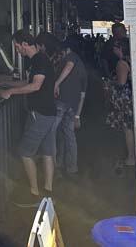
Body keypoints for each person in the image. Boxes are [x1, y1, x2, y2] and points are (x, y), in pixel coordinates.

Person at [0, 29, 57, 207]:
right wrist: (6, 83)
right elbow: (28, 82)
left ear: (25, 44)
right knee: (47, 152)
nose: (17, 50)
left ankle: (34, 194)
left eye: (17, 46)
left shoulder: (38, 60)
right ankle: (48, 191)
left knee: (25, 152)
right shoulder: (39, 60)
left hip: (40, 113)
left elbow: (35, 86)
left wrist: (10, 92)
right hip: (48, 112)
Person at [53, 41, 87, 177]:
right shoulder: (83, 69)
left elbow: (68, 65)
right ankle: (71, 167)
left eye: (61, 53)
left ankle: (54, 167)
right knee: (68, 135)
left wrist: (56, 83)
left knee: (51, 133)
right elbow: (83, 95)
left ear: (66, 50)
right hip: (73, 104)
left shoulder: (71, 57)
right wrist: (78, 115)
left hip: (62, 102)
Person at [105, 38, 135, 175]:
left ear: (121, 49)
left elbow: (121, 83)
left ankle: (131, 156)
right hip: (132, 97)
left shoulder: (122, 63)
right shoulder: (131, 58)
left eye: (116, 46)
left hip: (124, 99)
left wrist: (110, 83)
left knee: (127, 128)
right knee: (131, 126)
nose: (113, 49)